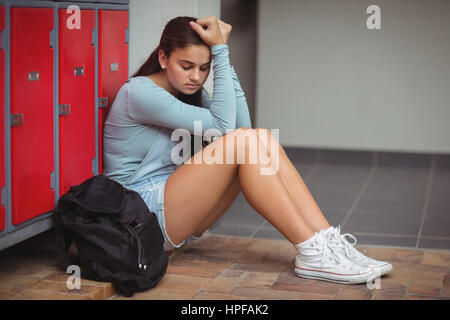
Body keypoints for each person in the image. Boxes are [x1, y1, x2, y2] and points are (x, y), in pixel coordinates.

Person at [103, 16, 392, 284]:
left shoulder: (188, 93)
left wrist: (223, 63)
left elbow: (244, 128)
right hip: (139, 218)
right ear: (163, 58)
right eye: (187, 66)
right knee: (246, 141)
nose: (196, 77)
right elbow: (227, 128)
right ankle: (311, 251)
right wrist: (220, 50)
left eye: (204, 68)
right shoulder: (139, 93)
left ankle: (327, 241)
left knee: (261, 138)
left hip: (172, 210)